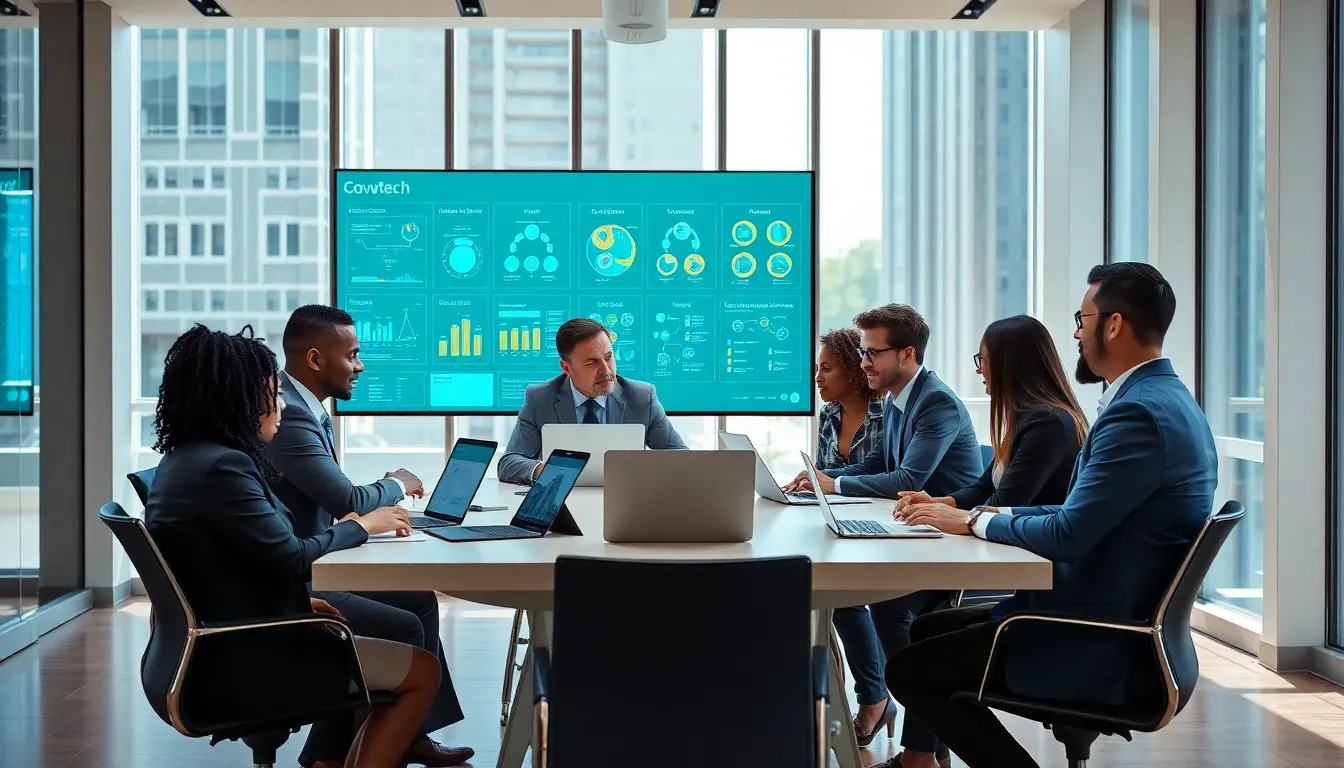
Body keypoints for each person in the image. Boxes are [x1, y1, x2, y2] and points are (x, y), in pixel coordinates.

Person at [883, 263, 1217, 768]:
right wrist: (974, 513)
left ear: (1114, 324)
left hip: (1099, 632)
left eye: (1081, 321)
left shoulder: (1138, 414)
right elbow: (1073, 510)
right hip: (1107, 609)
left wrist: (975, 520)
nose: (1077, 335)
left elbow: (1069, 533)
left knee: (909, 671)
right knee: (930, 630)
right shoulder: (1159, 399)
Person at [144, 325, 437, 768]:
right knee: (422, 672)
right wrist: (361, 525)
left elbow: (224, 567)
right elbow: (293, 557)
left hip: (207, 648)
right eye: (270, 393)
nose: (280, 404)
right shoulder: (225, 467)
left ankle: (335, 757)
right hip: (246, 660)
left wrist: (299, 601)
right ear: (235, 400)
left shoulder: (185, 460)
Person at [265, 305, 472, 768]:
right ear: (316, 359)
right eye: (353, 355)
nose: (361, 366)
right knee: (404, 622)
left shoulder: (301, 407)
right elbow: (346, 499)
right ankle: (348, 751)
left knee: (417, 598)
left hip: (314, 556)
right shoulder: (288, 412)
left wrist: (371, 506)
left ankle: (396, 738)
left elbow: (335, 495)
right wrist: (396, 483)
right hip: (302, 570)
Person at [880, 314, 1089, 767]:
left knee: (905, 622)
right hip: (1012, 553)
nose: (979, 369)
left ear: (1011, 364)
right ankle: (920, 756)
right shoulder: (1025, 419)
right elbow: (982, 491)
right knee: (920, 625)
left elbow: (1006, 503)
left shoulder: (1049, 423)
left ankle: (918, 756)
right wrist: (935, 500)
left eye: (985, 360)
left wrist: (948, 516)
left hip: (1037, 573)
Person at [789, 305, 981, 759]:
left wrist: (836, 483)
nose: (864, 363)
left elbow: (907, 479)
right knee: (864, 601)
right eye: (862, 352)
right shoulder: (900, 397)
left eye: (873, 353)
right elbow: (881, 464)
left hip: (950, 542)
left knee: (889, 612)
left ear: (907, 353)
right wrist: (823, 479)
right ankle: (919, 724)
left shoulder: (936, 402)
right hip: (912, 533)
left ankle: (922, 725)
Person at [804, 329, 894, 746]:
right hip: (845, 524)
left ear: (855, 373)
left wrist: (830, 483)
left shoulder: (886, 412)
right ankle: (873, 696)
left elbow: (891, 479)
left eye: (826, 369)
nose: (817, 378)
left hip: (887, 526)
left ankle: (874, 697)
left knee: (840, 593)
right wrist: (812, 485)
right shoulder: (830, 415)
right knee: (830, 589)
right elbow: (828, 476)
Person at [498, 317, 686, 484]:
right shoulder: (540, 398)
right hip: (561, 504)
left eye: (608, 357)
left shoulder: (642, 397)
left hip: (624, 499)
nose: (606, 370)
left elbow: (683, 458)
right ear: (567, 368)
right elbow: (508, 463)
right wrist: (546, 471)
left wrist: (644, 471)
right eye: (591, 363)